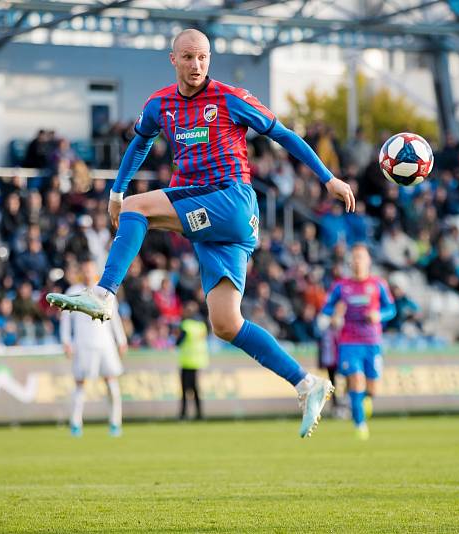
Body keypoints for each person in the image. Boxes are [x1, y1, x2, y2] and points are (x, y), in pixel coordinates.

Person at [46, 29, 355, 439]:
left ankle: (103, 294)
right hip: (207, 215)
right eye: (188, 57)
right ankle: (306, 383)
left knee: (138, 209)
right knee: (226, 323)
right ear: (172, 59)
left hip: (230, 200)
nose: (196, 65)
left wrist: (327, 178)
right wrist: (117, 188)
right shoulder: (160, 104)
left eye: (203, 58)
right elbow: (139, 143)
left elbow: (283, 135)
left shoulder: (230, 98)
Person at [319, 244, 395, 440]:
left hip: (372, 341)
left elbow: (391, 310)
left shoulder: (378, 284)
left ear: (368, 261)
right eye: (355, 257)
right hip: (349, 341)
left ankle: (364, 402)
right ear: (350, 262)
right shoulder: (341, 286)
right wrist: (334, 316)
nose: (358, 261)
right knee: (356, 379)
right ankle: (360, 425)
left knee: (372, 388)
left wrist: (379, 315)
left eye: (361, 257)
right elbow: (326, 309)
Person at [59, 260, 127, 437]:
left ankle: (115, 423)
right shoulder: (73, 292)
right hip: (83, 344)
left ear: (96, 271)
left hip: (105, 344)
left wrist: (121, 340)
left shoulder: (106, 290)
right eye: (85, 270)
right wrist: (66, 341)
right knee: (80, 383)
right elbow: (66, 320)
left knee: (111, 382)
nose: (88, 273)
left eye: (91, 270)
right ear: (81, 272)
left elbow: (115, 318)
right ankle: (75, 424)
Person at [176, 301, 209, 420]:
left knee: (185, 390)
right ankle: (200, 414)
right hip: (199, 361)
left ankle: (183, 414)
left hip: (187, 362)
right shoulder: (202, 325)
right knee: (196, 390)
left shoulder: (185, 325)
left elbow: (178, 342)